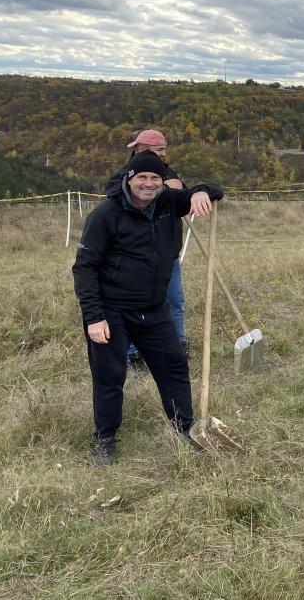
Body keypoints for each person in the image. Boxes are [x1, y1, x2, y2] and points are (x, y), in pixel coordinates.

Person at [74, 150, 224, 465]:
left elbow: (215, 189)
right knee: (110, 376)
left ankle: (184, 428)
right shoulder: (106, 215)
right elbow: (84, 268)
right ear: (129, 178)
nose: (148, 183)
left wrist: (198, 191)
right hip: (112, 311)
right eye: (142, 176)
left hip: (155, 310)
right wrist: (94, 317)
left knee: (174, 367)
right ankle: (105, 440)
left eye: (155, 178)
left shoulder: (169, 203)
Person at [105, 129, 188, 364]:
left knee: (174, 302)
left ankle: (178, 346)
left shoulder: (168, 171)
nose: (164, 154)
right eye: (160, 149)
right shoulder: (123, 175)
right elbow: (114, 195)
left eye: (164, 149)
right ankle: (134, 354)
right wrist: (167, 189)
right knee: (136, 307)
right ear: (142, 149)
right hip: (136, 257)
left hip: (168, 254)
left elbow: (186, 195)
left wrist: (193, 191)